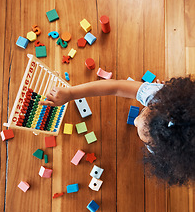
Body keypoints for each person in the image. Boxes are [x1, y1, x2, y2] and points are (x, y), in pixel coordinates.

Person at [39, 77, 195, 186]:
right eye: (141, 113)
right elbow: (116, 86)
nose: (134, 121)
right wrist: (71, 93)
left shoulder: (171, 155)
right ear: (156, 105)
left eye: (146, 141)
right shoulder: (157, 97)